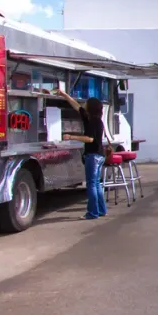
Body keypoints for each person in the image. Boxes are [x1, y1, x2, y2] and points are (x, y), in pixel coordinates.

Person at [54, 89, 108, 220]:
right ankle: (101, 210)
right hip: (99, 155)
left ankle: (92, 213)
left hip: (93, 156)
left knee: (91, 184)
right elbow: (76, 106)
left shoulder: (93, 122)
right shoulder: (91, 119)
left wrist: (71, 136)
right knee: (96, 184)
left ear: (91, 107)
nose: (84, 105)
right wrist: (64, 94)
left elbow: (90, 139)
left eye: (87, 104)